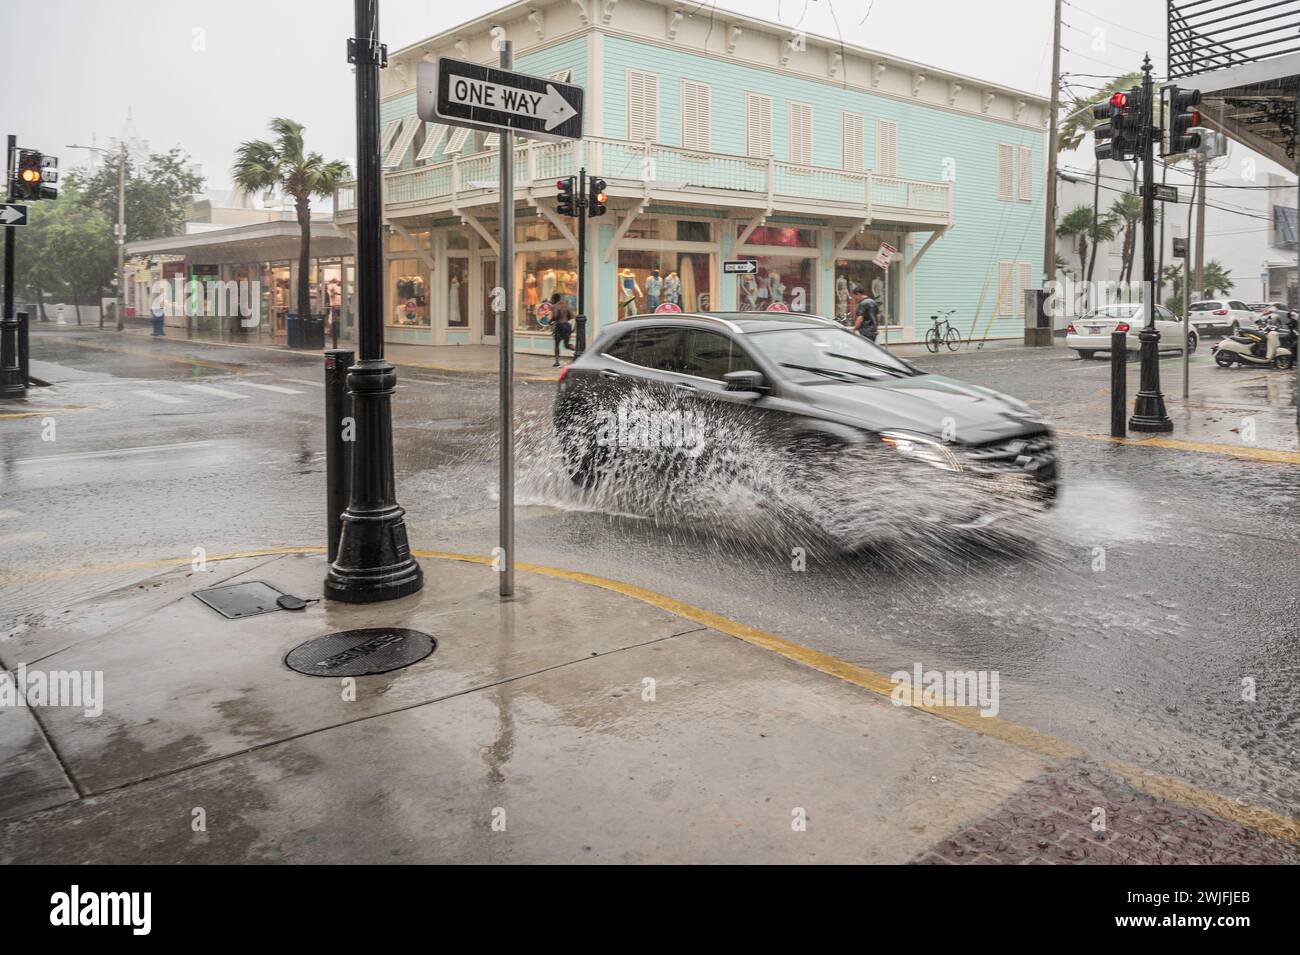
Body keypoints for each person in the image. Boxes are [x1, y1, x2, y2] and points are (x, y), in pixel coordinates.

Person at [549, 293, 574, 367]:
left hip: (559, 327)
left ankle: (557, 362)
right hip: (567, 326)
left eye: (552, 299)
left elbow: (555, 316)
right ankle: (579, 351)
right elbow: (572, 316)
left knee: (557, 345)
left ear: (554, 299)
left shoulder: (555, 306)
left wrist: (550, 321)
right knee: (566, 345)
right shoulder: (566, 305)